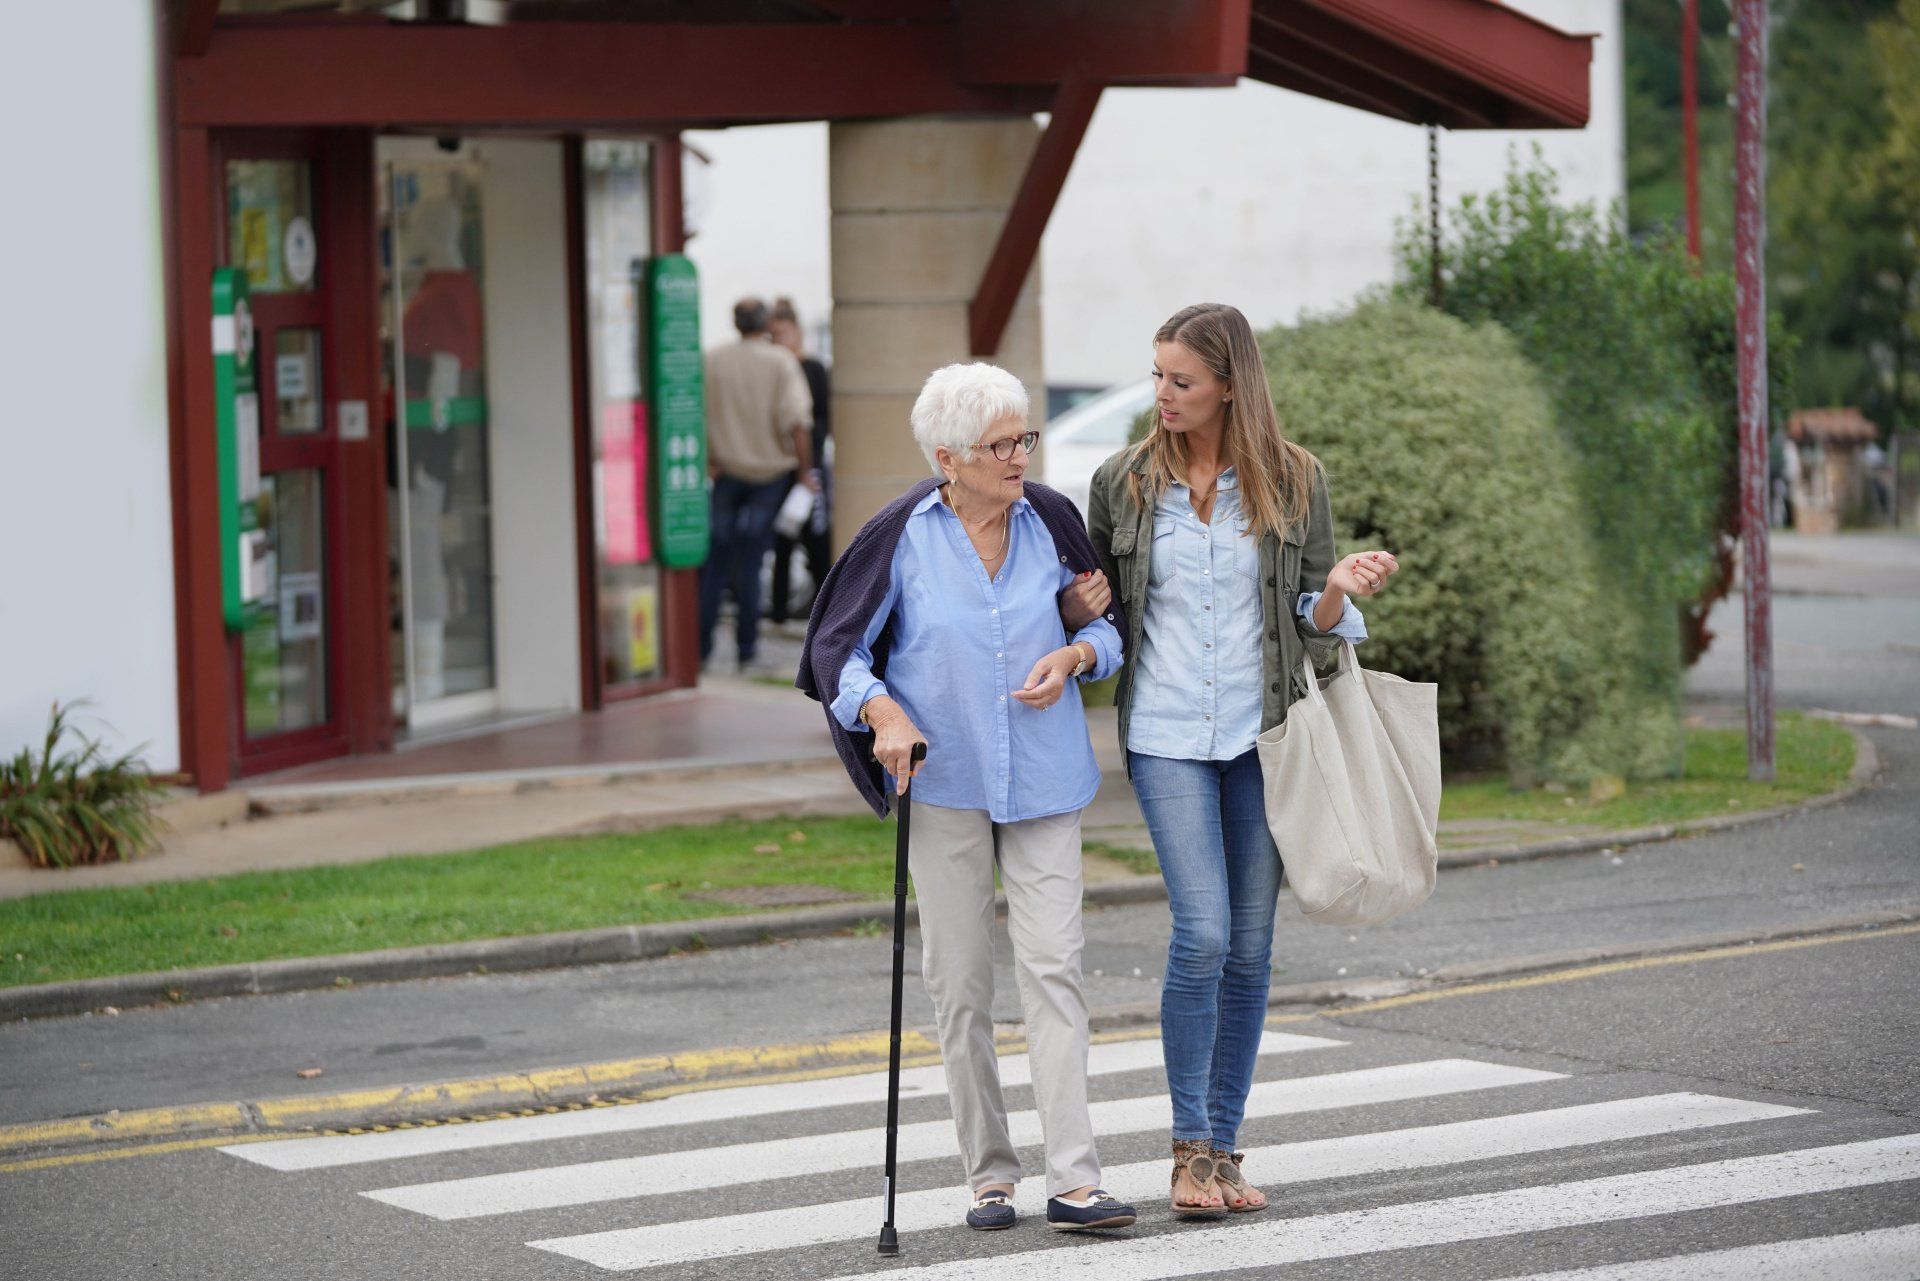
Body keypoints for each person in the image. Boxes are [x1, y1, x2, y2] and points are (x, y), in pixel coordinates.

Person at [1073, 302, 1399, 1218]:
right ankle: (1184, 1150)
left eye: (1182, 379)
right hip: (1166, 735)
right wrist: (1077, 612)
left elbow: (1313, 619)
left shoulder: (1295, 480)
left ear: (1228, 383)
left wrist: (1333, 592)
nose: (1164, 394)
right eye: (1158, 377)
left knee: (1252, 950)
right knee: (1205, 932)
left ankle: (1221, 1151)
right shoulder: (1123, 481)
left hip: (1263, 735)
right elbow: (1099, 616)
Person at [799, 362, 1136, 1234]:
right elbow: (841, 652)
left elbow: (1108, 625)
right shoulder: (901, 537)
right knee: (961, 984)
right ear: (949, 456)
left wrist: (1076, 654)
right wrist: (881, 711)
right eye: (1001, 442)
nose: (1020, 453)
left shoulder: (1051, 520)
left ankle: (1076, 1179)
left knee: (1054, 969)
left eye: (1024, 436)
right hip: (942, 781)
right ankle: (990, 1176)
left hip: (1045, 777)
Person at [699, 296, 816, 673]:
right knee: (750, 561)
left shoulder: (713, 359)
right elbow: (798, 420)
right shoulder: (780, 361)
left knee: (715, 560)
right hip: (769, 475)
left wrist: (710, 459)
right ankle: (746, 649)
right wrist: (804, 472)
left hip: (726, 472)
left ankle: (701, 648)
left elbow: (696, 413)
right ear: (764, 322)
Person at [767, 297, 832, 625]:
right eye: (774, 335)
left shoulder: (812, 368)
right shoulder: (772, 371)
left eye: (786, 333)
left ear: (798, 333)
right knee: (782, 541)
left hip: (811, 467)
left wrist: (811, 459)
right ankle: (779, 610)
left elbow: (822, 418)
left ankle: (825, 611)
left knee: (818, 539)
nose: (781, 341)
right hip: (780, 467)